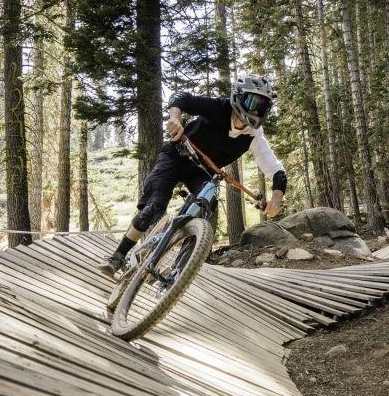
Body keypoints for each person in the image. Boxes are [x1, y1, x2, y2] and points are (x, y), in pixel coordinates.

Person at [98, 74, 287, 277]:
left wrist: (276, 198)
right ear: (238, 97)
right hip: (175, 157)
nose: (256, 111)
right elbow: (182, 98)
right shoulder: (219, 107)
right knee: (154, 206)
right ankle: (118, 256)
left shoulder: (254, 136)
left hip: (202, 173)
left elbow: (277, 170)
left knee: (207, 205)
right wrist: (175, 119)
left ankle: (180, 268)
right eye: (252, 102)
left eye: (263, 106)